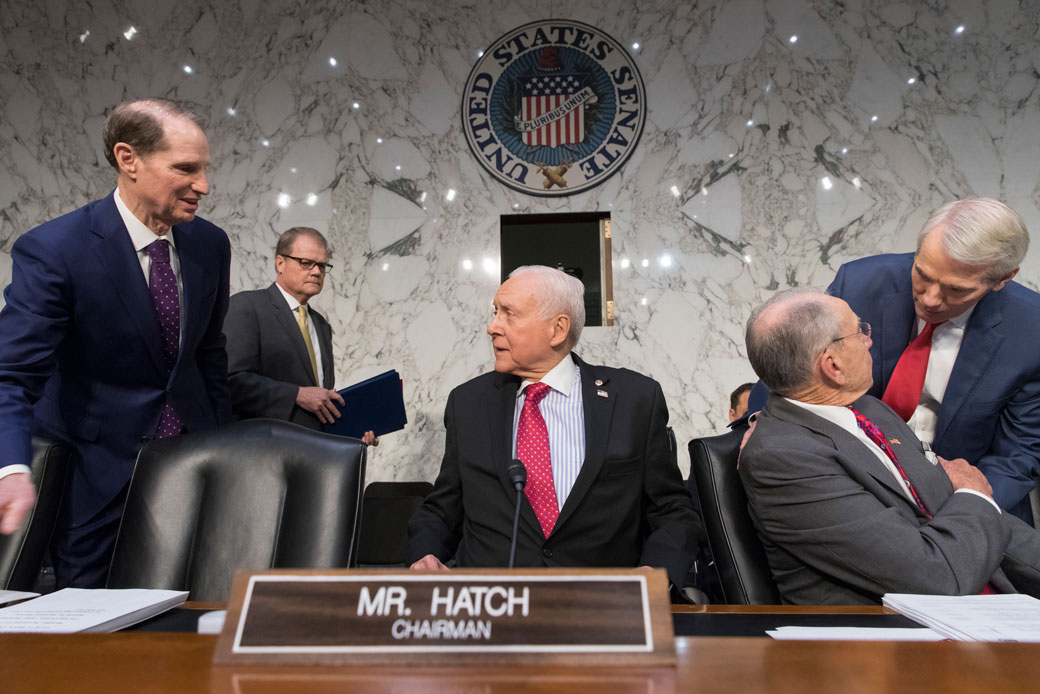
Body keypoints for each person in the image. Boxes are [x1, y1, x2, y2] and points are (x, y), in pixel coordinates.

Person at [0, 99, 231, 587]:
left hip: (196, 469)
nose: (203, 187)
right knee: (96, 633)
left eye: (205, 169)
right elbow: (11, 376)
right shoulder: (57, 250)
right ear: (128, 159)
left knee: (197, 613)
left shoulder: (210, 244)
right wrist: (11, 466)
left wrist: (225, 446)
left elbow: (208, 356)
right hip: (97, 479)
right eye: (185, 169)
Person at [740, 289, 1040, 604]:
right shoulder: (783, 457)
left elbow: (970, 515)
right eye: (859, 332)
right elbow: (934, 577)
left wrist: (973, 497)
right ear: (833, 366)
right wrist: (974, 494)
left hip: (981, 605)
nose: (869, 340)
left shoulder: (871, 410)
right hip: (890, 637)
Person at [407, 266, 702, 587]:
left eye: (509, 314)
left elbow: (673, 510)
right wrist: (425, 554)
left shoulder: (634, 400)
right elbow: (442, 509)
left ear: (558, 329)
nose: (492, 327)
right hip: (492, 608)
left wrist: (656, 572)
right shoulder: (468, 403)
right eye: (495, 312)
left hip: (604, 609)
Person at [828, 198, 1040, 523]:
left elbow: (1018, 454)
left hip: (965, 499)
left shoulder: (1031, 330)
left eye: (956, 290)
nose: (929, 299)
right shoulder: (858, 284)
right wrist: (761, 419)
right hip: (852, 479)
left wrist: (962, 510)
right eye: (922, 274)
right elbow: (796, 367)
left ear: (1002, 279)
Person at [223, 227, 375, 443]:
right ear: (280, 263)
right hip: (262, 450)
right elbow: (232, 382)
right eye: (306, 263)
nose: (316, 272)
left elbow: (321, 399)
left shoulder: (321, 325)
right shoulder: (247, 306)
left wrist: (353, 429)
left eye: (322, 265)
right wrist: (296, 394)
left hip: (315, 453)